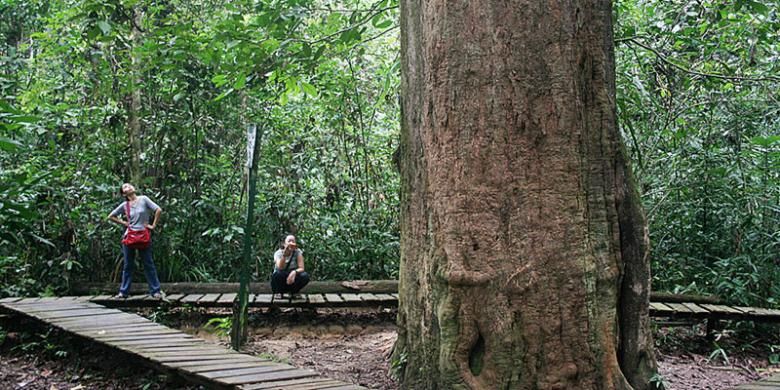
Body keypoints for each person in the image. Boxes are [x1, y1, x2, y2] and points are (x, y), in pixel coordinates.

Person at [108, 183, 163, 299]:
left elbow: (158, 209)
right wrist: (124, 223)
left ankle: (155, 291)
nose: (129, 187)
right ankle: (123, 292)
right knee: (128, 265)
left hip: (143, 235)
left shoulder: (143, 199)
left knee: (148, 264)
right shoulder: (125, 205)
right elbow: (111, 216)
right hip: (129, 237)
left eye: (129, 185)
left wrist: (153, 226)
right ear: (124, 193)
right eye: (125, 187)